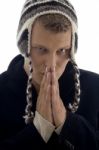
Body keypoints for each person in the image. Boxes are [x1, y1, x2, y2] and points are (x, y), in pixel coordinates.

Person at [0, 0, 99, 149]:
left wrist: (67, 123)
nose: (51, 65)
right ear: (23, 44)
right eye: (41, 49)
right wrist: (39, 129)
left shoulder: (95, 88)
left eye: (62, 50)